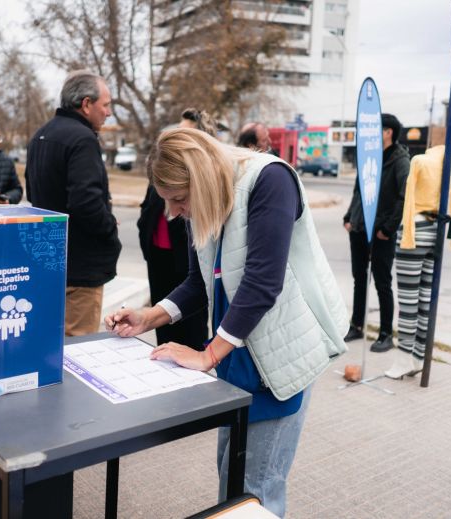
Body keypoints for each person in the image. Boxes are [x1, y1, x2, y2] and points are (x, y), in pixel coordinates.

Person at [106, 128, 348, 517]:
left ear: (200, 179)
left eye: (179, 200)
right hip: (237, 353)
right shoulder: (210, 199)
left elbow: (262, 283)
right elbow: (198, 283)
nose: (174, 212)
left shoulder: (271, 180)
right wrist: (148, 317)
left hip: (278, 361)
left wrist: (207, 356)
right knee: (231, 475)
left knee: (255, 491)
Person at [25, 71, 121, 336]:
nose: (109, 113)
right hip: (80, 268)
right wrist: (109, 225)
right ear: (86, 104)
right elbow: (85, 201)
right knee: (77, 348)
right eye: (106, 104)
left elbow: (33, 193)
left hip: (49, 260)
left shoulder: (40, 135)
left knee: (48, 341)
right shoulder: (82, 139)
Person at [385, 145, 451, 379]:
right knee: (425, 299)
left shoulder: (420, 161)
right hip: (437, 230)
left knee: (408, 300)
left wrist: (405, 230)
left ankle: (403, 360)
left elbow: (408, 198)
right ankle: (419, 357)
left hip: (415, 227)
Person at [136, 108, 216, 348]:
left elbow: (198, 286)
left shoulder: (201, 189)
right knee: (164, 319)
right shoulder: (163, 171)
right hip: (159, 257)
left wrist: (208, 356)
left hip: (184, 260)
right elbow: (149, 208)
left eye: (185, 132)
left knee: (190, 323)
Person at [342, 113, 410, 352]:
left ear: (388, 131)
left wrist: (388, 228)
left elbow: (404, 197)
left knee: (382, 282)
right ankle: (357, 326)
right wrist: (349, 217)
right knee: (359, 280)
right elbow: (358, 191)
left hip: (381, 231)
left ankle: (385, 334)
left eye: (376, 129)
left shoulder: (400, 160)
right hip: (359, 228)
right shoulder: (368, 155)